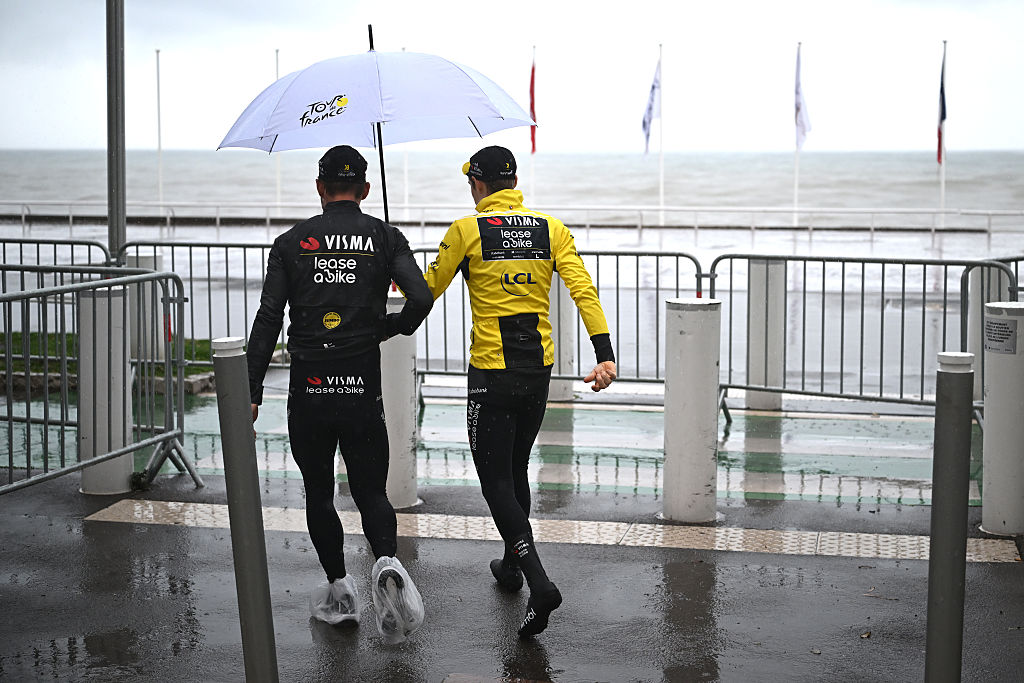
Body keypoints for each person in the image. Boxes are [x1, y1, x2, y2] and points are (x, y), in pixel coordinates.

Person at [424, 146, 617, 637]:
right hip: (537, 373)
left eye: (471, 181)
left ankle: (539, 583)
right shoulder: (551, 228)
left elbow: (425, 291)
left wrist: (392, 263)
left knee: (495, 484)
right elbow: (583, 290)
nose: (470, 189)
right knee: (515, 470)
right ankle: (511, 569)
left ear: (481, 184)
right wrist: (604, 353)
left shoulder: (466, 231)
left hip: (491, 374)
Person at [247, 145, 432, 643]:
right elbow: (421, 296)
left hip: (309, 389)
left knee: (318, 492)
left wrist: (251, 387)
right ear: (366, 190)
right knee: (372, 490)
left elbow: (268, 319)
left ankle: (339, 591)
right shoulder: (383, 236)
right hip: (359, 387)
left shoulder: (290, 243)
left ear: (320, 188)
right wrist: (389, 327)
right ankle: (387, 563)